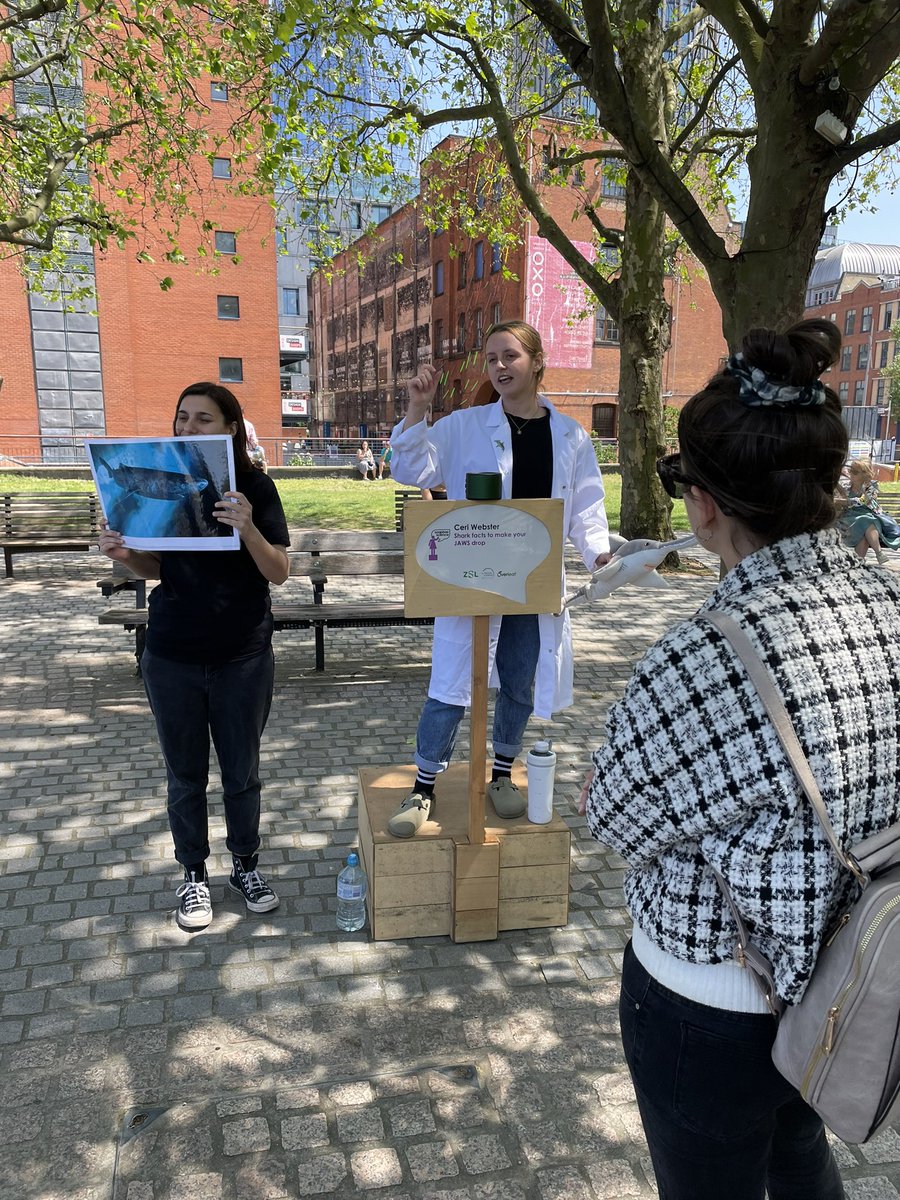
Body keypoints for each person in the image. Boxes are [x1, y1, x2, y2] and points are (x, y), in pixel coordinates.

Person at [582, 319, 900, 1200]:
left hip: (710, 997)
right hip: (845, 975)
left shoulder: (703, 656)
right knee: (800, 1158)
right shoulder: (890, 600)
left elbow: (610, 812)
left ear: (707, 502)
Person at [386, 319, 611, 838]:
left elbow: (586, 509)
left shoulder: (571, 437)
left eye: (509, 356)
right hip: (471, 580)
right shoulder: (465, 426)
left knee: (519, 682)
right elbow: (411, 471)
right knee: (450, 684)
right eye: (491, 359)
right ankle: (423, 786)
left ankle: (503, 774)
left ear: (537, 361)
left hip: (532, 586)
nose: (499, 366)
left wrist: (598, 555)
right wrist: (418, 410)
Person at [99, 383, 290, 932]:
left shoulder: (255, 486)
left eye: (204, 419)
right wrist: (125, 553)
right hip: (173, 654)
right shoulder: (169, 485)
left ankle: (246, 867)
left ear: (231, 428)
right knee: (185, 775)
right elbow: (157, 569)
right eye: (182, 418)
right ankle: (193, 877)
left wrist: (247, 525)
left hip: (243, 655)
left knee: (242, 773)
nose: (189, 429)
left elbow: (278, 571)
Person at [838, 457, 899, 562]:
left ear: (864, 474)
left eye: (855, 472)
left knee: (866, 520)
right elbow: (837, 502)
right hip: (850, 519)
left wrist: (863, 488)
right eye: (850, 470)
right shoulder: (845, 487)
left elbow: (866, 500)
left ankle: (857, 562)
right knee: (864, 527)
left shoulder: (871, 487)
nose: (850, 473)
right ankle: (876, 554)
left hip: (870, 517)